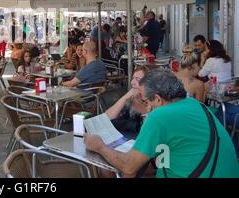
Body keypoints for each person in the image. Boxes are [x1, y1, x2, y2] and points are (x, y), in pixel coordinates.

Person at [84, 69, 239, 178]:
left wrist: (99, 146)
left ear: (157, 99)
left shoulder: (160, 115)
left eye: (145, 101)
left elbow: (128, 166)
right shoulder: (196, 105)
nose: (147, 107)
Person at [105, 66, 149, 138]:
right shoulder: (131, 98)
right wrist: (126, 96)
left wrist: (144, 111)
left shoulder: (153, 100)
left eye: (137, 79)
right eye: (133, 78)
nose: (132, 82)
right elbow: (106, 118)